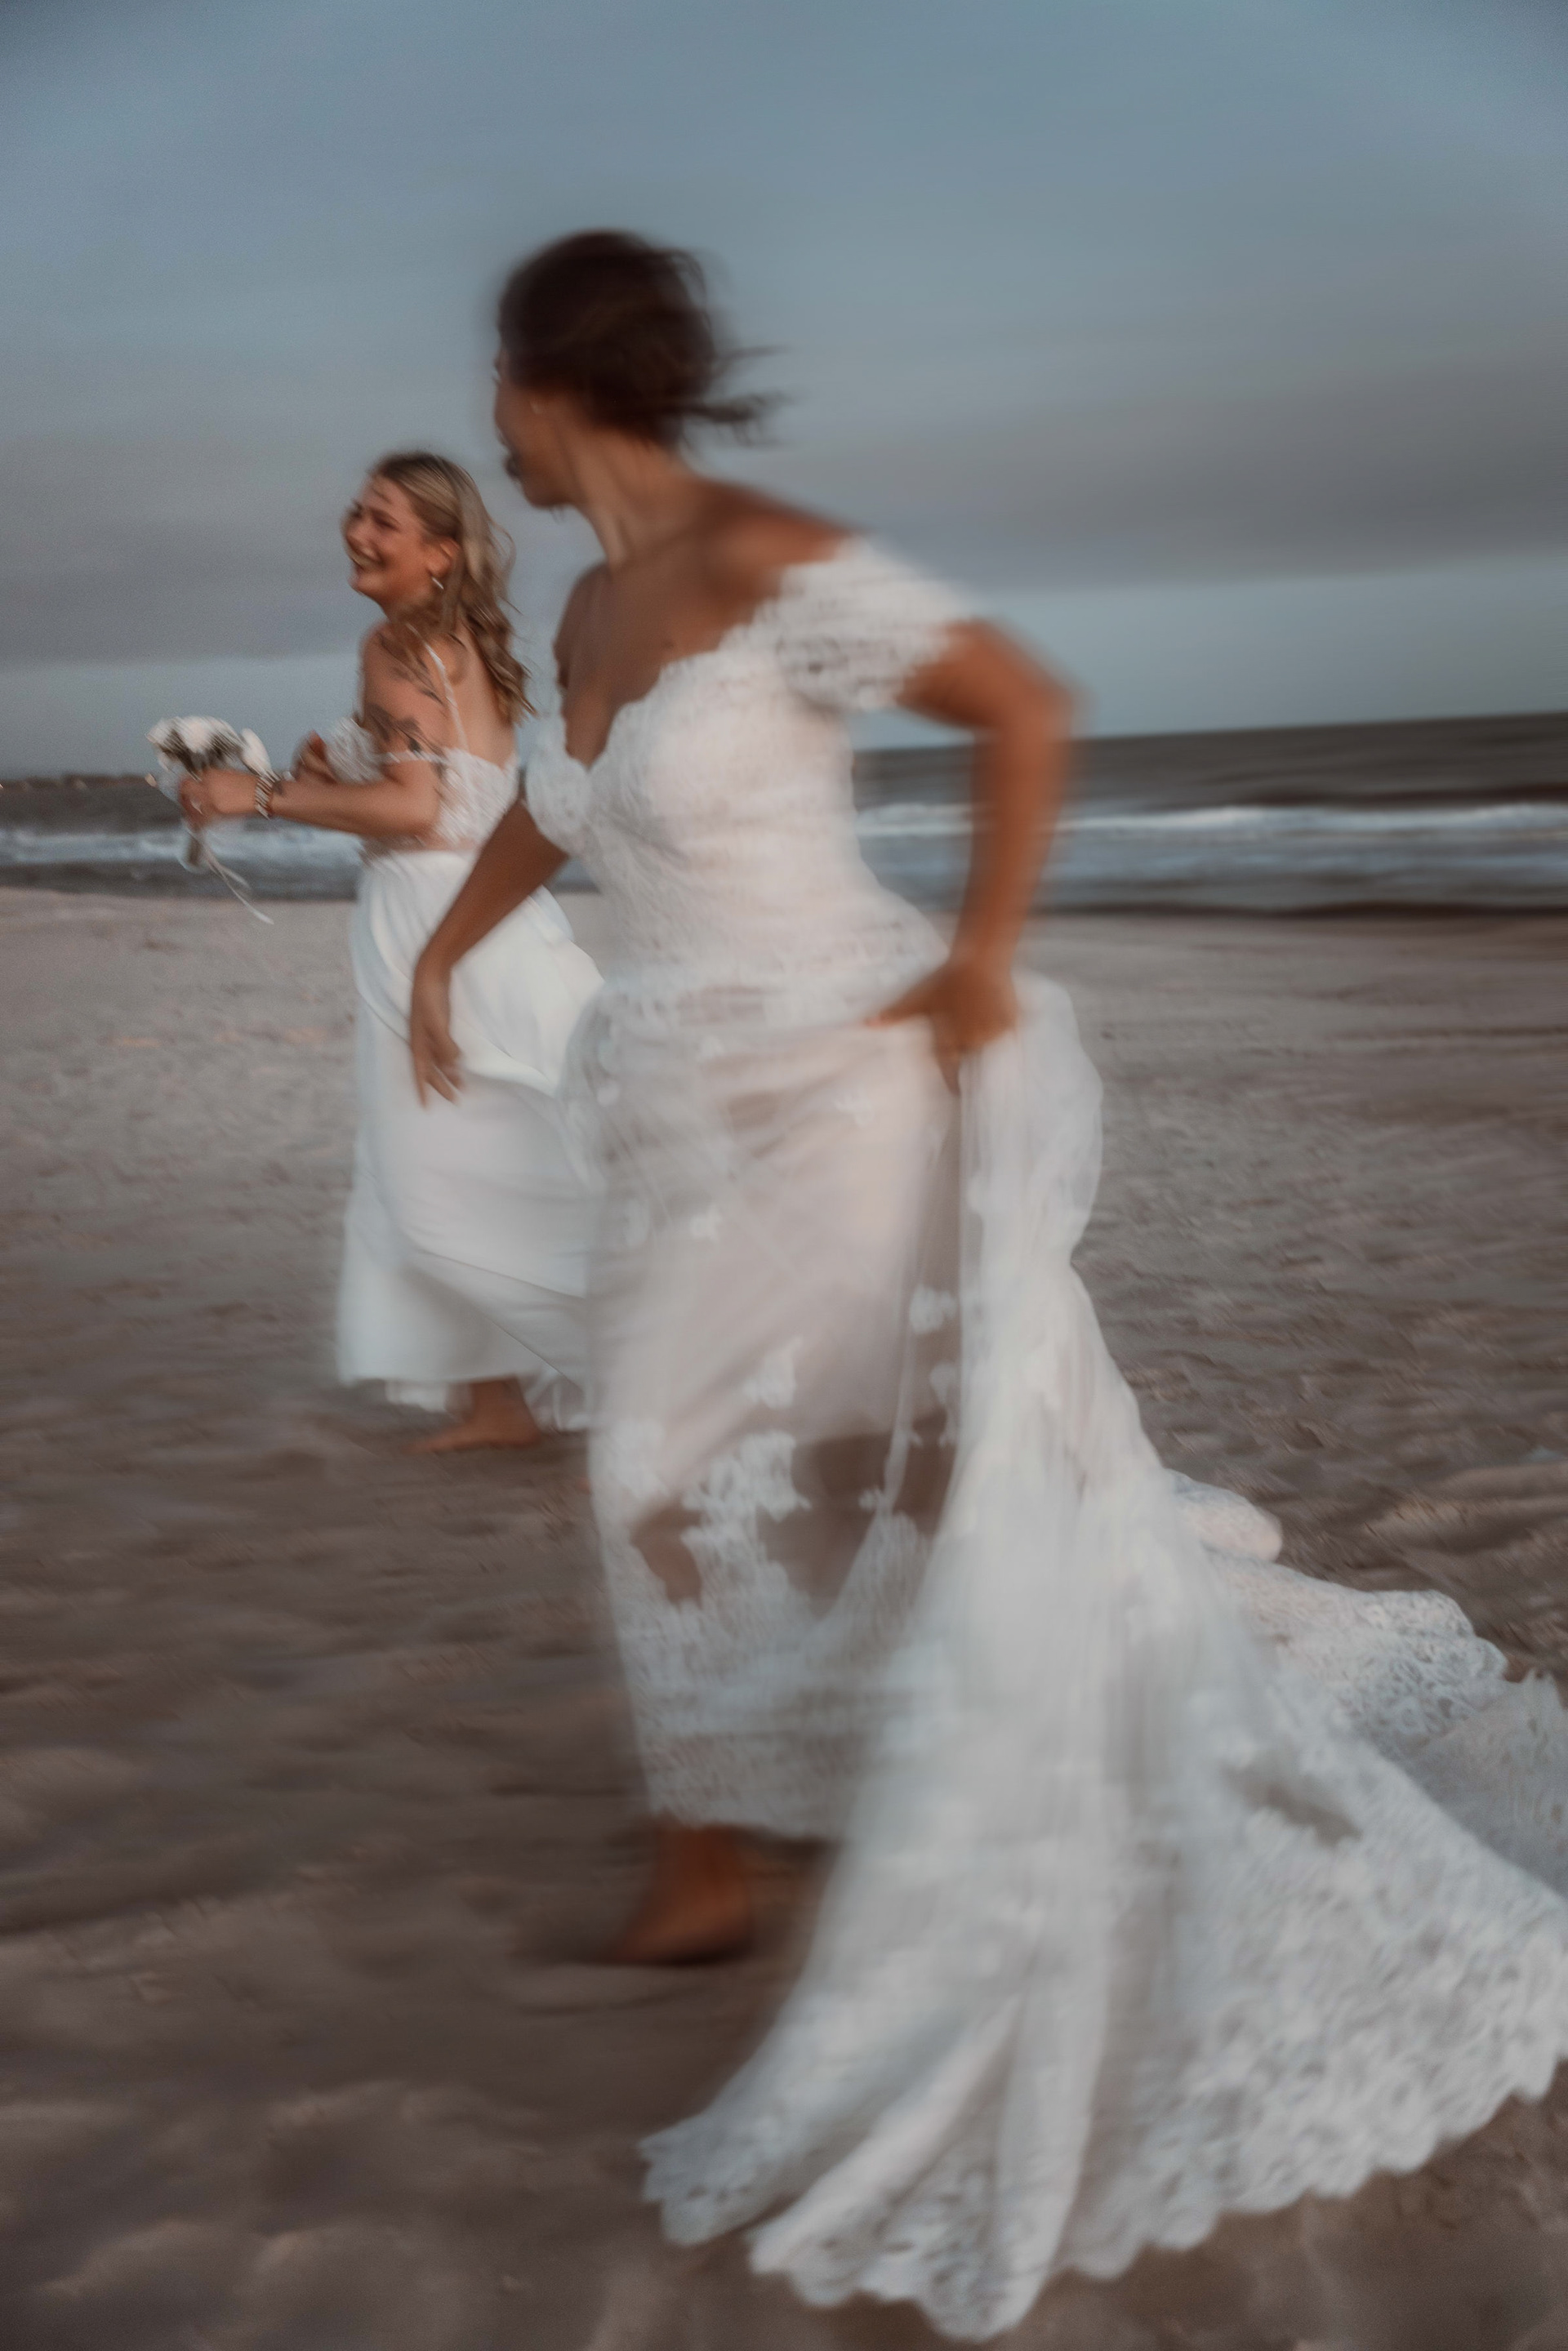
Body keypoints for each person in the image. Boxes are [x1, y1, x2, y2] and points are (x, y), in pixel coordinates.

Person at [409, 233, 1568, 2336]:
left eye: (495, 380)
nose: (487, 414)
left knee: (892, 1459)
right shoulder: (577, 602)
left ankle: (862, 1807)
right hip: (672, 1106)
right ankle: (712, 1848)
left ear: (544, 377)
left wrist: (973, 956)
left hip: (844, 1087)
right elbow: (547, 811)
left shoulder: (768, 553)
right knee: (656, 1465)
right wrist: (432, 943)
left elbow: (1022, 706)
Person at [185, 452, 599, 1451]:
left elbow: (418, 811)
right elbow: (436, 794)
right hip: (485, 916)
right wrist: (333, 779)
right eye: (356, 513)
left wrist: (264, 797)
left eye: (385, 521)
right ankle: (494, 1402)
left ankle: (649, 1381)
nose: (358, 534)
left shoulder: (397, 643)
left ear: (441, 554)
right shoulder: (449, 641)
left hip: (437, 923)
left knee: (447, 1178)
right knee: (490, 1155)